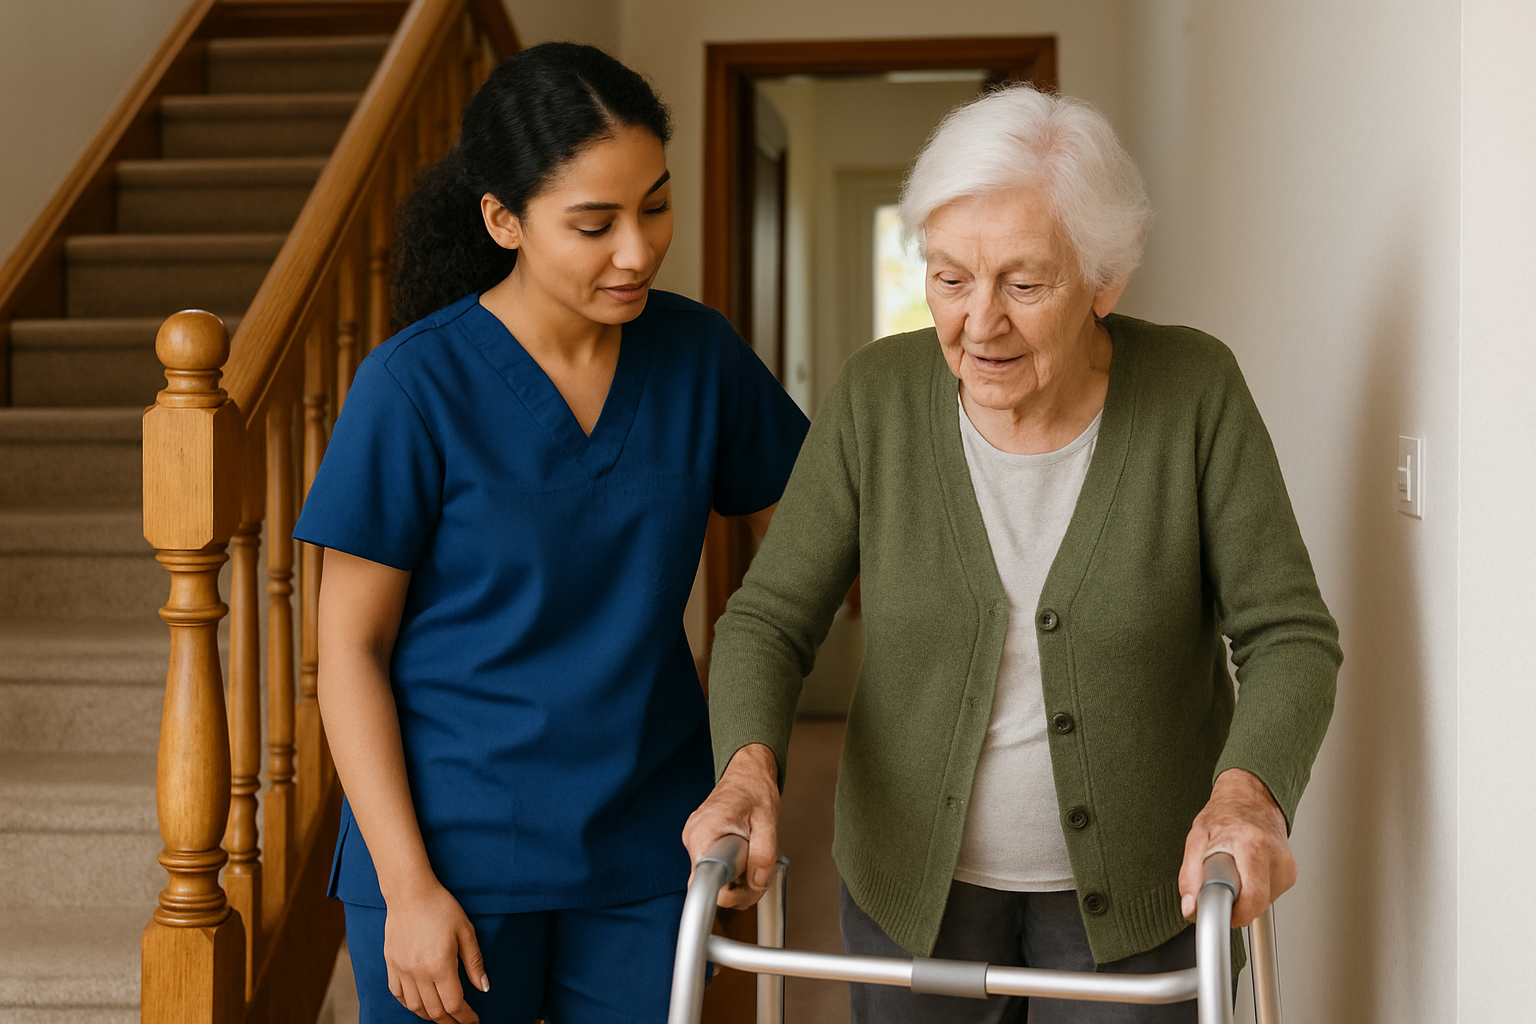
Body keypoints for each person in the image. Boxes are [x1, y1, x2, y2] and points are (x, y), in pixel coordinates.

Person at [684, 83, 1341, 1024]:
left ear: (1104, 280)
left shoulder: (1195, 392)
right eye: (949, 279)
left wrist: (1246, 795)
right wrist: (747, 770)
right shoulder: (877, 398)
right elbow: (770, 615)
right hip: (914, 886)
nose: (978, 322)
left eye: (1024, 284)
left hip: (1148, 896)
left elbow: (1288, 634)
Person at [295, 43, 808, 1024]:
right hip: (448, 851)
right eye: (594, 223)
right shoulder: (412, 388)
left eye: (655, 205)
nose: (639, 250)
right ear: (503, 220)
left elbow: (813, 556)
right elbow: (349, 650)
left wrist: (753, 760)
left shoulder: (698, 358)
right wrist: (407, 887)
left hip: (648, 844)